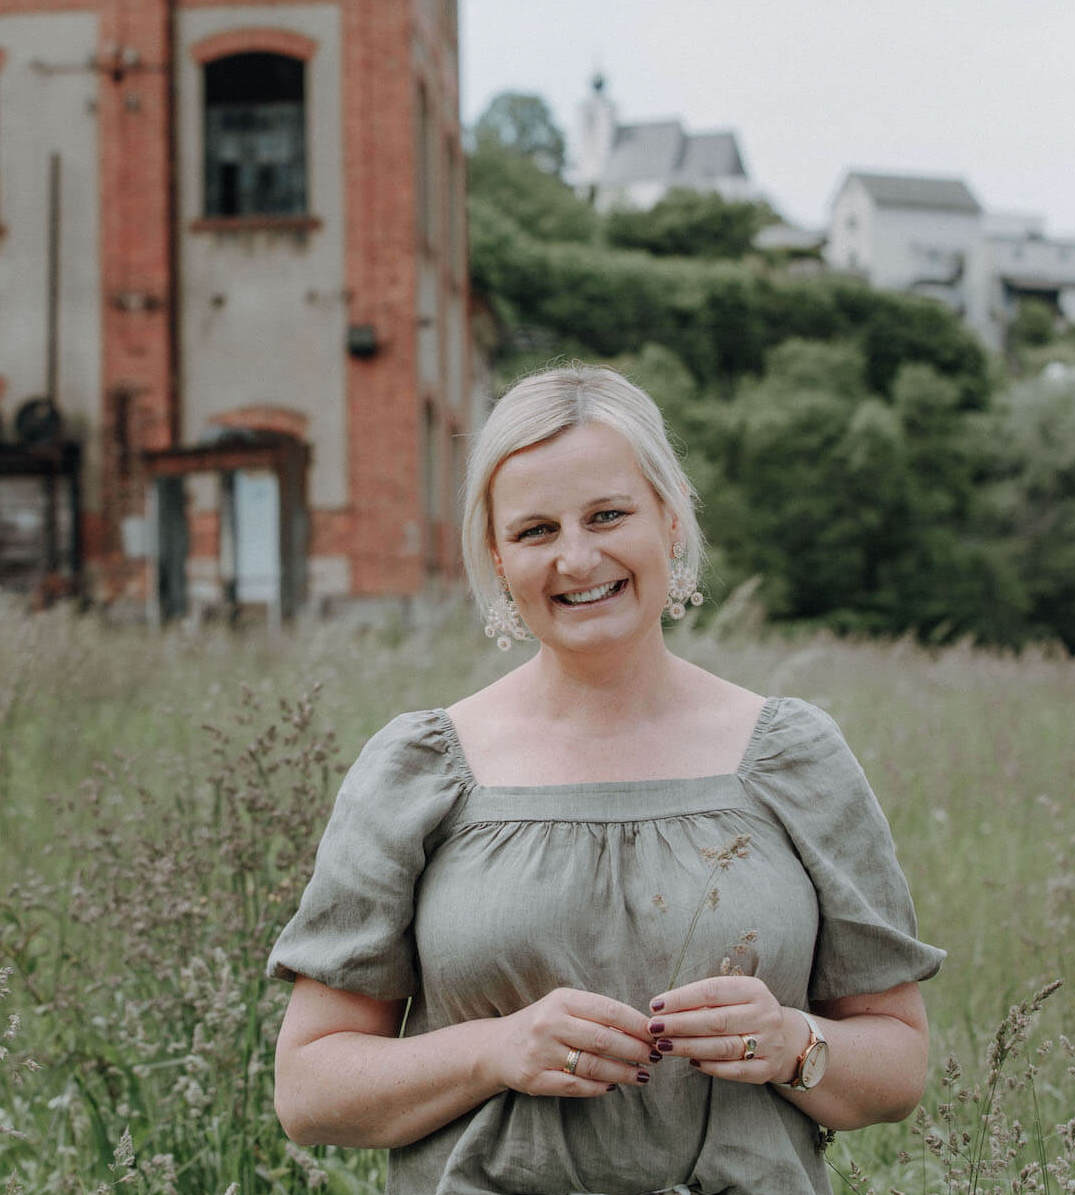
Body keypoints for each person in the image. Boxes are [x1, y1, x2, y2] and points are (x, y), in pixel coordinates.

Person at [267, 363, 945, 1195]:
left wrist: (791, 1041)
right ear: (496, 555)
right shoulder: (419, 768)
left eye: (607, 515)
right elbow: (309, 1091)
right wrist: (493, 1049)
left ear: (669, 517)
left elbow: (899, 1062)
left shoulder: (793, 755)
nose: (576, 557)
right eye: (535, 530)